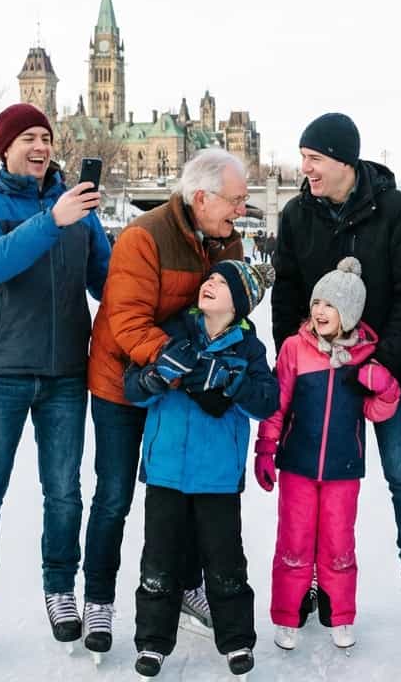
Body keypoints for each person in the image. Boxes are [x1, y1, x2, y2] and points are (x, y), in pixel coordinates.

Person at [0, 103, 110, 663]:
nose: (40, 147)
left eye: (46, 137)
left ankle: (61, 589)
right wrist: (53, 219)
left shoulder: (77, 209)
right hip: (1, 372)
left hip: (64, 374)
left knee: (63, 492)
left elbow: (108, 282)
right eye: (28, 138)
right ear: (4, 147)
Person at [271, 112, 401, 634]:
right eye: (304, 159)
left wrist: (384, 361)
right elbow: (288, 291)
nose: (306, 170)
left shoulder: (394, 211)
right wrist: (289, 362)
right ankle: (316, 578)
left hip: (385, 370)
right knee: (314, 480)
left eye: (314, 159)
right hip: (318, 375)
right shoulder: (298, 214)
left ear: (343, 160)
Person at [84, 149, 246, 658]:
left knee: (185, 489)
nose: (241, 211)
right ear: (202, 197)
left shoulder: (224, 238)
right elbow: (127, 323)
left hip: (179, 387)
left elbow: (232, 308)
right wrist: (189, 369)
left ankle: (187, 586)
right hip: (123, 385)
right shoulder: (144, 236)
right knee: (114, 495)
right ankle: (99, 599)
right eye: (236, 201)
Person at [124, 260, 279, 679]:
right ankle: (153, 642)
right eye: (208, 278)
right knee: (159, 558)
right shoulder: (174, 331)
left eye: (221, 282)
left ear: (241, 302)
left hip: (217, 476)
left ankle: (237, 640)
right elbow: (132, 388)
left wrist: (231, 382)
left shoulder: (248, 348)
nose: (208, 284)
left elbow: (268, 401)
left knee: (225, 559)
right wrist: (156, 377)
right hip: (166, 471)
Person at [257, 257, 401, 652]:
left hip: (343, 468)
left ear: (350, 313)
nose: (319, 311)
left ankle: (340, 615)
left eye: (330, 305)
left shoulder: (364, 356)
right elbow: (278, 403)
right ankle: (287, 616)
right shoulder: (293, 349)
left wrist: (386, 388)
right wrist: (266, 447)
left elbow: (375, 411)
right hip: (298, 466)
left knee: (339, 544)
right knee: (294, 541)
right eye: (317, 302)